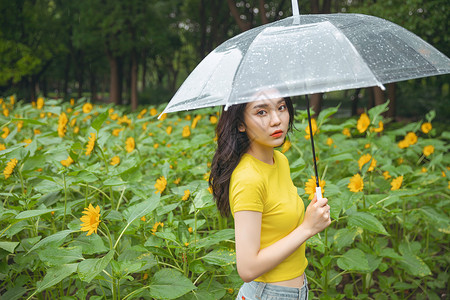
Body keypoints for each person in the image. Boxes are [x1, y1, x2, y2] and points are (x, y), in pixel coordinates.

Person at [209, 88, 331, 300]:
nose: (276, 120)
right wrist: (307, 228)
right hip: (268, 294)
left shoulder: (280, 161)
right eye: (261, 112)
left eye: (281, 107)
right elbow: (247, 269)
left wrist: (311, 216)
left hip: (297, 291)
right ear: (240, 124)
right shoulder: (249, 178)